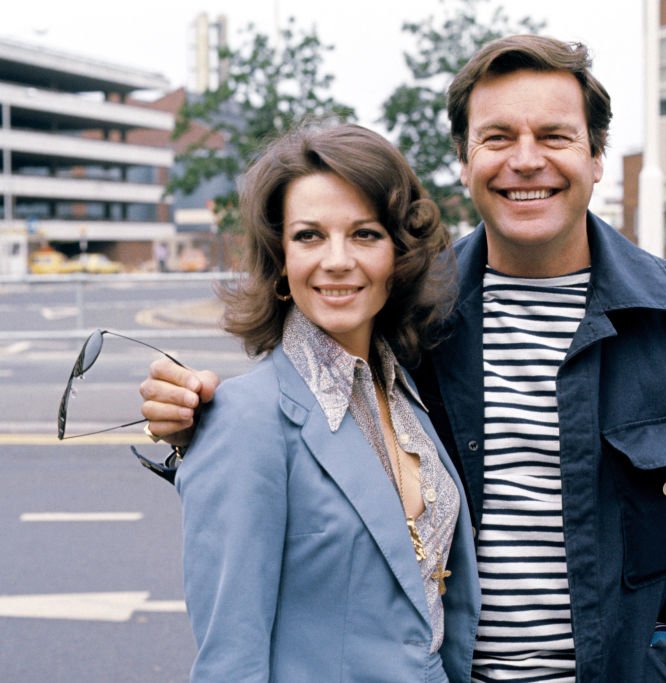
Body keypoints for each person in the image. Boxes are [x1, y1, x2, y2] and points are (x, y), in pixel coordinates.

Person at [141, 36, 666, 682]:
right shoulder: (412, 317)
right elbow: (308, 441)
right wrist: (202, 421)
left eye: (555, 136)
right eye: (498, 137)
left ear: (597, 156)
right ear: (463, 159)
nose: (527, 159)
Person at [172, 121, 480, 682]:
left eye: (364, 234)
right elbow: (229, 660)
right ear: (280, 261)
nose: (337, 260)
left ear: (399, 256)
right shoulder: (245, 418)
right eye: (309, 236)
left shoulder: (406, 392)